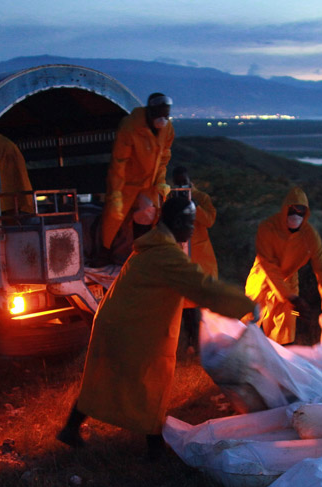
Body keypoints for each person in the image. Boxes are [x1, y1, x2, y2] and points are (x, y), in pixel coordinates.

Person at [57, 194, 257, 458]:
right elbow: (201, 287)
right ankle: (154, 450)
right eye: (189, 222)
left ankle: (72, 430)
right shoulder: (164, 254)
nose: (192, 228)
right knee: (149, 382)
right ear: (175, 222)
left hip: (125, 322)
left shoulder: (155, 247)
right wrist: (245, 305)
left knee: (109, 380)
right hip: (131, 327)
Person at [245, 186, 322, 345]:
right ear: (285, 209)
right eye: (293, 209)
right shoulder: (267, 228)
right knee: (248, 320)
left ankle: (279, 363)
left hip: (289, 281)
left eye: (301, 210)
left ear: (306, 212)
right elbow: (268, 265)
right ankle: (239, 360)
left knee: (285, 330)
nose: (297, 214)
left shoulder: (310, 236)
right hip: (261, 279)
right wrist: (291, 297)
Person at [101, 92, 175, 260]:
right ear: (150, 111)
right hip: (127, 182)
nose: (162, 119)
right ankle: (103, 252)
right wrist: (116, 193)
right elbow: (119, 161)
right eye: (159, 114)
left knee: (148, 214)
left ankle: (140, 254)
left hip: (149, 184)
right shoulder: (131, 126)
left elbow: (164, 158)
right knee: (114, 217)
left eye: (166, 115)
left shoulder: (167, 129)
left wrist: (160, 182)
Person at [172, 166, 218, 354]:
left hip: (202, 257)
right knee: (185, 304)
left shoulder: (201, 198)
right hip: (182, 256)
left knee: (204, 302)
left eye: (185, 181)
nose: (182, 185)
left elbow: (209, 221)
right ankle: (190, 343)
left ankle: (209, 342)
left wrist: (193, 206)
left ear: (190, 180)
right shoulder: (170, 199)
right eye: (178, 182)